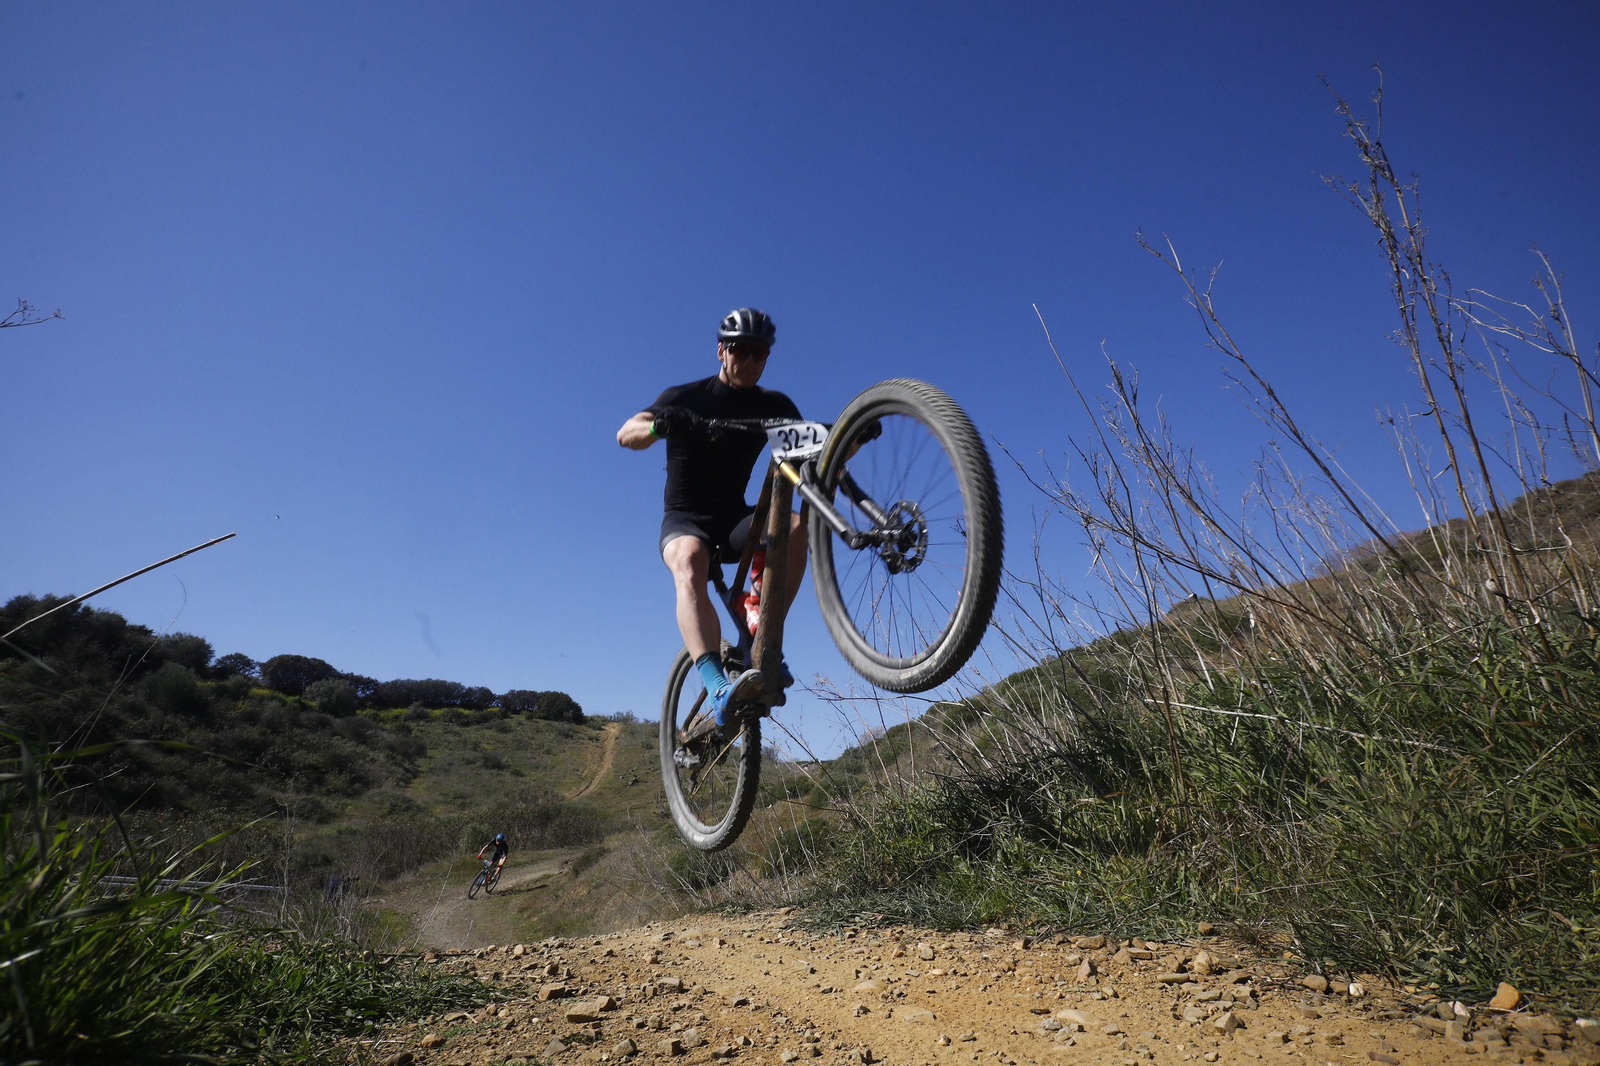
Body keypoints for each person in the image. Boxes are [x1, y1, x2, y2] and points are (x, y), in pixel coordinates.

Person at [616, 307, 807, 734]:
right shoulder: (685, 397)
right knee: (690, 560)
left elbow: (812, 446)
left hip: (733, 518)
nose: (750, 360)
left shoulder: (774, 406)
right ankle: (717, 685)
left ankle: (763, 634)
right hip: (684, 520)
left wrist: (850, 436)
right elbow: (626, 433)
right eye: (741, 350)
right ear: (722, 350)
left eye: (760, 352)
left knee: (794, 526)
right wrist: (660, 426)